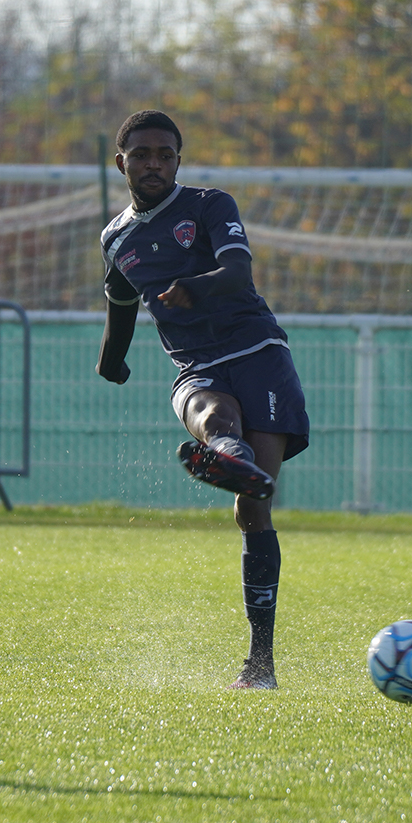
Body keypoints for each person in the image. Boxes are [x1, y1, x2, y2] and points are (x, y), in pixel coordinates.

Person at [95, 109, 310, 691]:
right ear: (122, 164)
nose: (154, 164)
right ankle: (226, 452)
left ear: (178, 162)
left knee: (253, 510)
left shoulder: (210, 205)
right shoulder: (116, 240)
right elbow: (119, 311)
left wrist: (197, 286)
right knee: (212, 414)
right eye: (142, 155)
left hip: (257, 350)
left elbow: (238, 272)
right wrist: (111, 362)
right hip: (196, 366)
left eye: (165, 155)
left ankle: (259, 663)